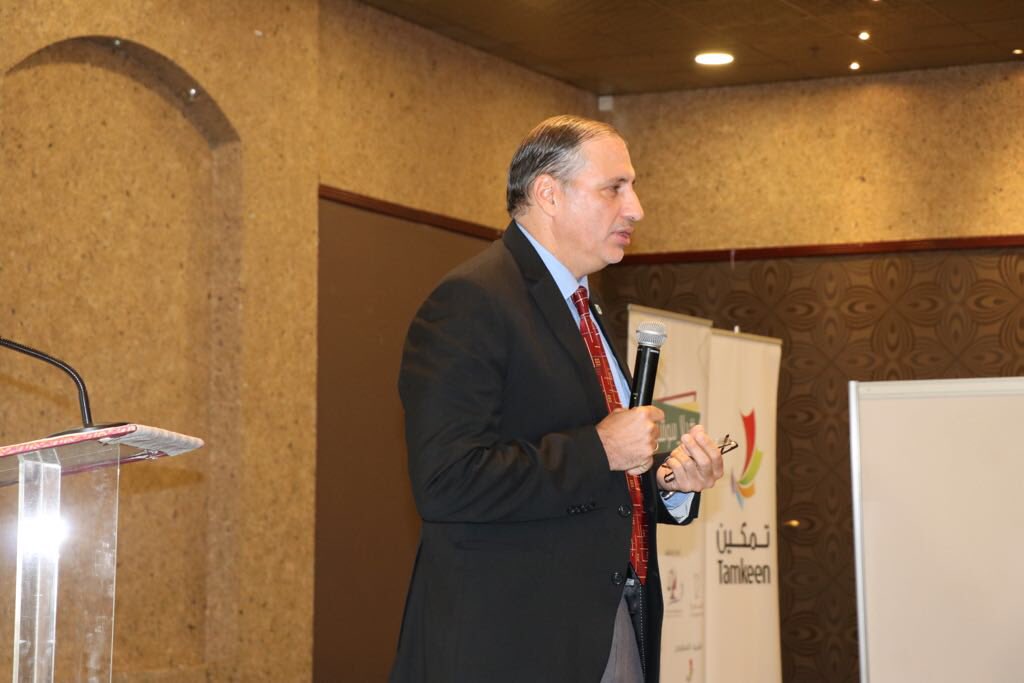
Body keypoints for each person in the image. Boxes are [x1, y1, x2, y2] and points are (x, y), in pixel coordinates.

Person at [390, 115, 725, 683]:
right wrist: (601, 449)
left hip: (611, 625)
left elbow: (597, 479)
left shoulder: (582, 307)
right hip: (511, 644)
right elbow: (446, 480)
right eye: (614, 188)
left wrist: (668, 484)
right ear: (548, 193)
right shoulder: (472, 301)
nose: (636, 208)